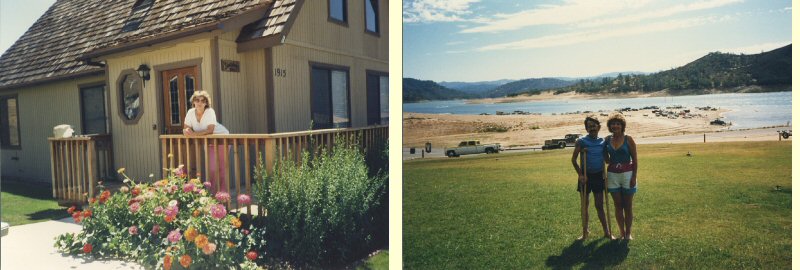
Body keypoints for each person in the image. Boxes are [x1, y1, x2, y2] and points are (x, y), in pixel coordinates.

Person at [571, 116, 614, 240]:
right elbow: (573, 160)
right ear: (586, 128)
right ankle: (585, 232)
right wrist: (580, 174)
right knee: (585, 205)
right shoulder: (581, 141)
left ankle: (607, 231)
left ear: (599, 127)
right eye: (589, 126)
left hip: (598, 176)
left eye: (594, 126)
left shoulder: (602, 142)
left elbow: (607, 159)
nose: (592, 128)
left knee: (599, 205)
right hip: (585, 177)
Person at [183, 91, 230, 194]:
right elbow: (185, 128)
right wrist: (186, 131)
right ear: (193, 102)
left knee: (221, 168)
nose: (199, 102)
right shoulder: (190, 113)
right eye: (197, 100)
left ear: (206, 103)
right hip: (208, 142)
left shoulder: (209, 111)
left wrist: (193, 134)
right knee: (212, 169)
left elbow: (210, 130)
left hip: (222, 139)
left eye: (203, 101)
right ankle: (212, 194)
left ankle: (222, 194)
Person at [604, 113, 638, 240]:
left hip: (627, 175)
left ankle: (628, 233)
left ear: (622, 125)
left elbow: (635, 159)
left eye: (618, 124)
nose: (615, 126)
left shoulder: (628, 139)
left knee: (627, 205)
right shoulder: (607, 140)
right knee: (617, 205)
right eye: (613, 124)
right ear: (610, 126)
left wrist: (634, 176)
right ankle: (621, 232)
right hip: (612, 175)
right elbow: (605, 158)